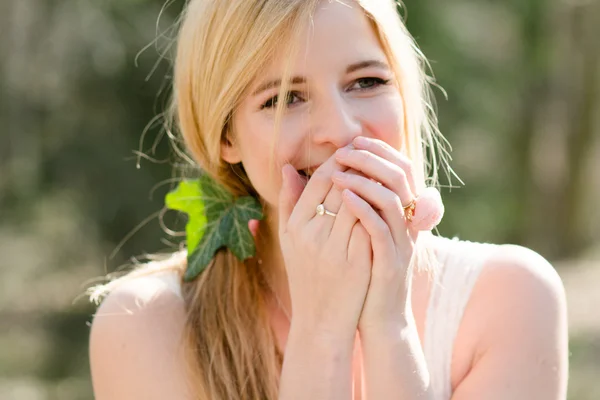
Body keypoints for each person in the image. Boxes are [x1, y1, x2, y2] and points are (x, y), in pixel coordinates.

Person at [88, 0, 569, 399]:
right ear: (226, 136)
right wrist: (321, 331)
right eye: (283, 99)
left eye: (367, 82)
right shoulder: (145, 327)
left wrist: (388, 327)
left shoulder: (513, 299)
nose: (340, 130)